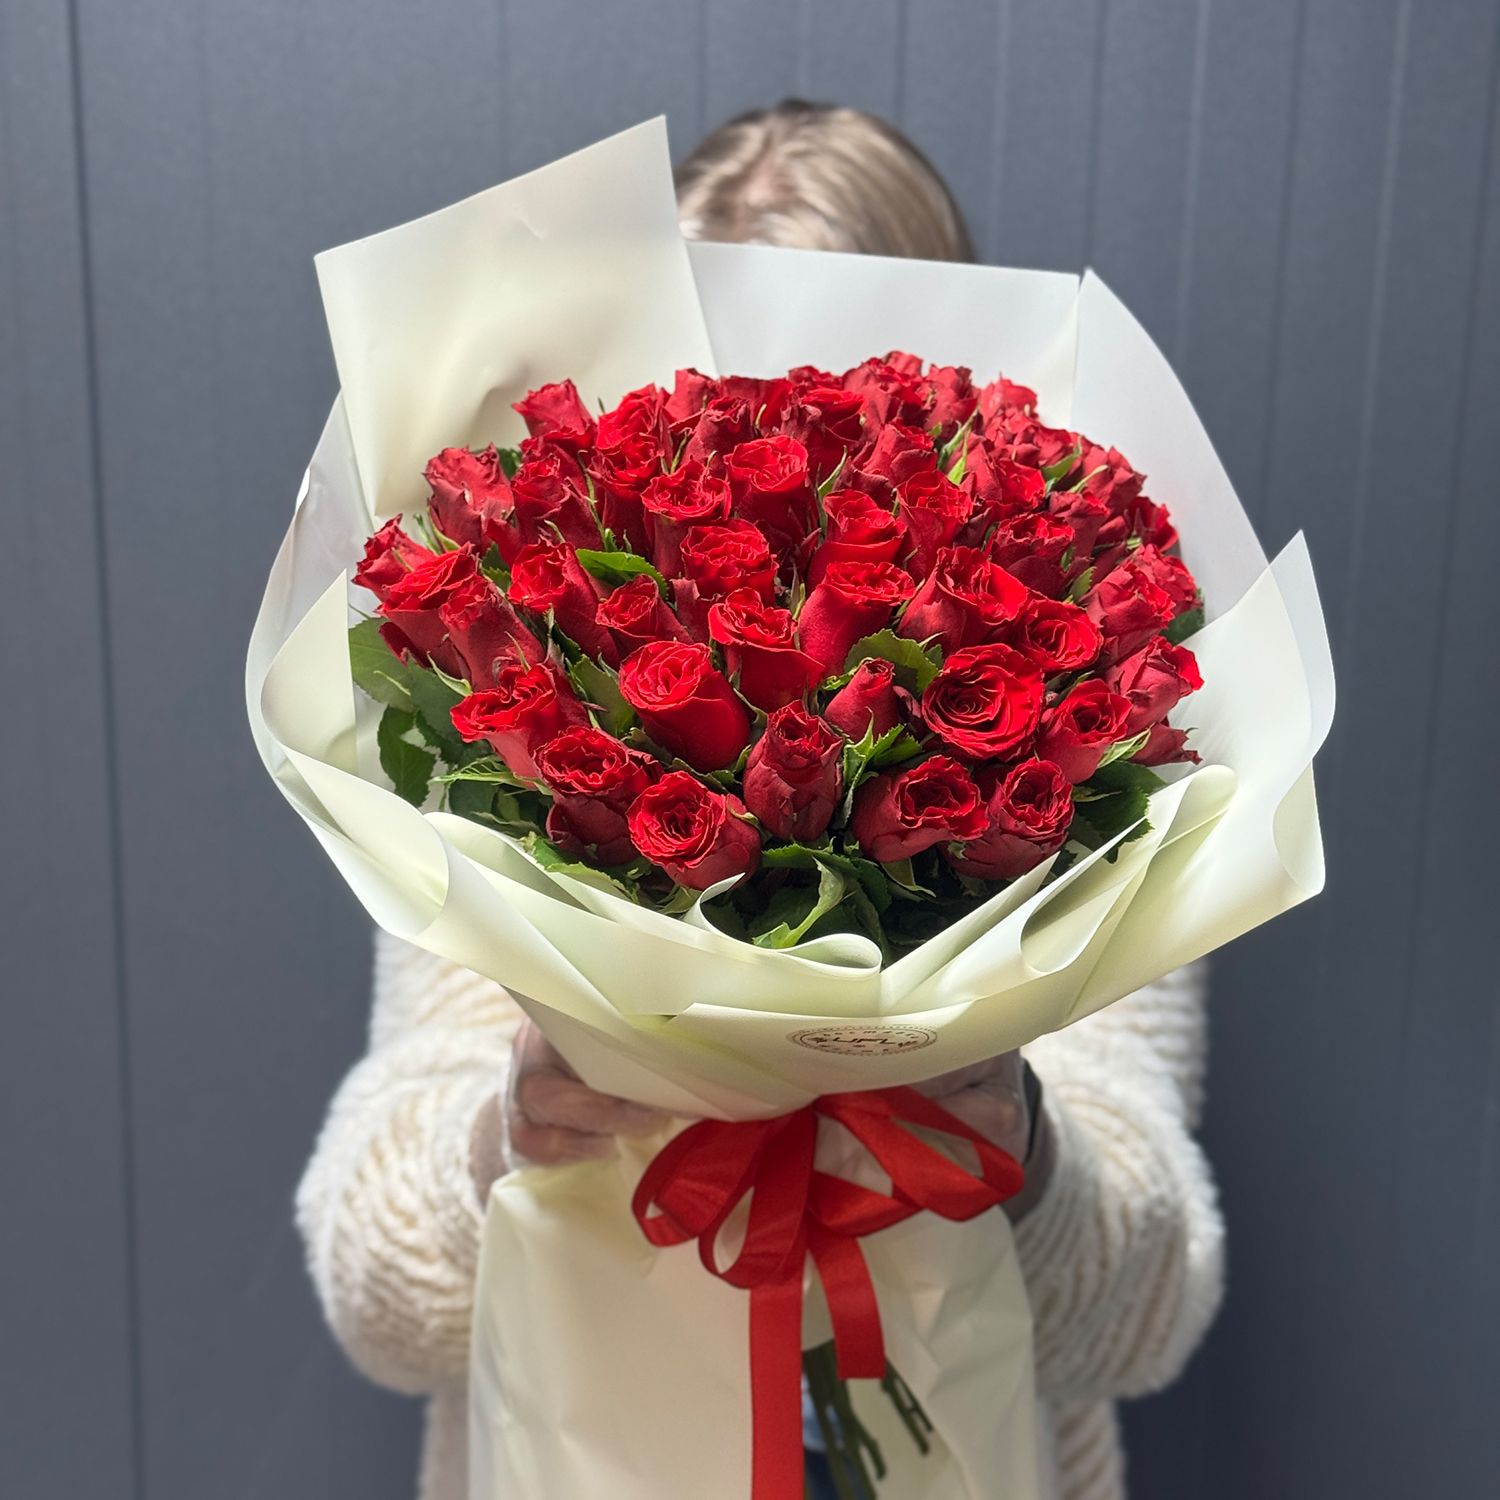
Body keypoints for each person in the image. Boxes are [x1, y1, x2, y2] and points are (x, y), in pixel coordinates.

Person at [296, 101, 1223, 1500]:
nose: (748, 443)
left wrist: (1019, 1144)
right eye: (706, 379)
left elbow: (1150, 1316)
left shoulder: (1095, 783)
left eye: (820, 385)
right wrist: (503, 1134)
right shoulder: (500, 770)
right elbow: (372, 1298)